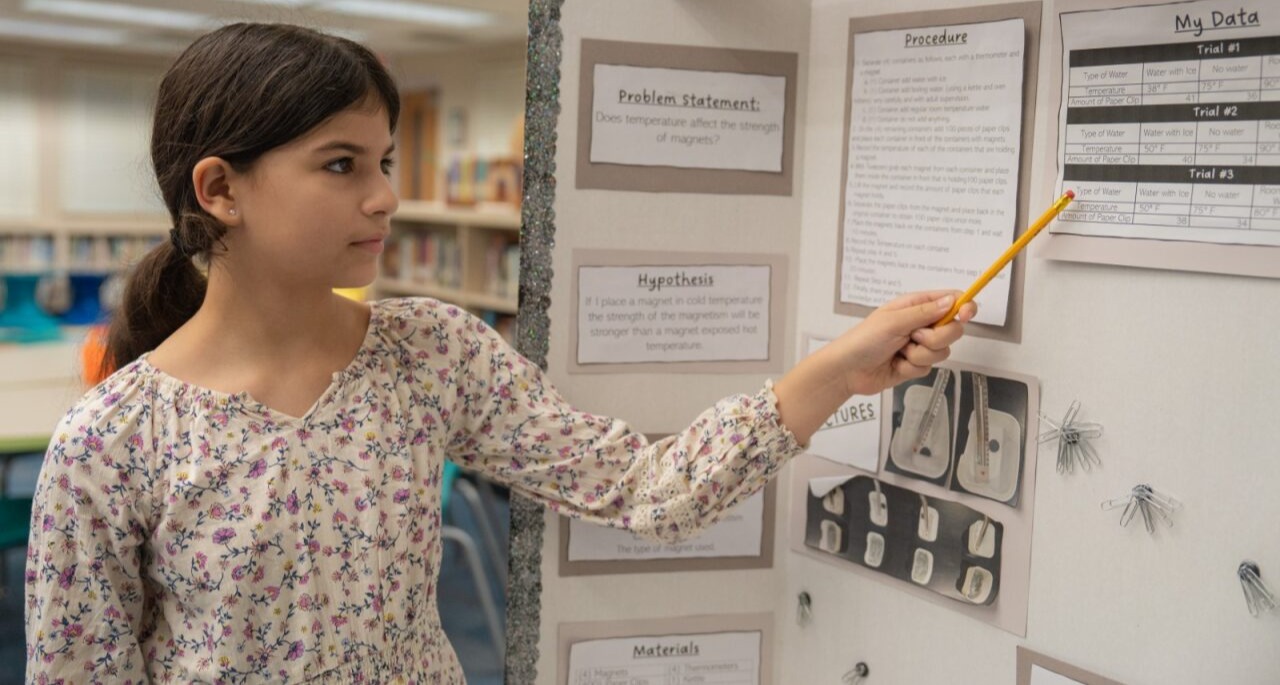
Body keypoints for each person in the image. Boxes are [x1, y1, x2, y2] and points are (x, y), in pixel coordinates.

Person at [24, 22, 975, 684]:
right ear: (221, 189)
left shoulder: (428, 351)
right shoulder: (112, 440)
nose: (385, 197)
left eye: (385, 160)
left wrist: (840, 372)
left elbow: (647, 490)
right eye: (341, 164)